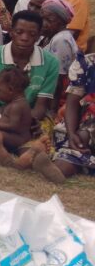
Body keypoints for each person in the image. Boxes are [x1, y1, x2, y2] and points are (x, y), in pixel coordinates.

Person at [0, 11, 59, 124]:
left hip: (31, 116)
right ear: (11, 31)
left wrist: (28, 123)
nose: (24, 38)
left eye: (32, 34)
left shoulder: (51, 62)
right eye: (19, 32)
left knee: (43, 133)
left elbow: (41, 105)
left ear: (39, 35)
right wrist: (3, 119)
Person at [39, 51, 95, 182]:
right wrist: (71, 134)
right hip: (85, 125)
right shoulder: (87, 63)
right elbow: (73, 103)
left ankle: (70, 164)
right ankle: (60, 167)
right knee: (79, 138)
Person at [38, 0, 78, 86]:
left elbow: (58, 79)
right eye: (41, 18)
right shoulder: (48, 36)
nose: (43, 23)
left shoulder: (61, 39)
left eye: (49, 20)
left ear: (62, 21)